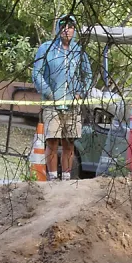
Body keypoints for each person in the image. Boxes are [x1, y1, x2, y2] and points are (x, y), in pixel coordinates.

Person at [32, 15, 92, 180]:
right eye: (64, 26)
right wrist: (49, 93)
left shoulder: (79, 51)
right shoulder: (46, 48)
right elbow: (36, 74)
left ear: (74, 30)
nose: (67, 29)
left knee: (69, 142)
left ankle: (66, 179)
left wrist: (81, 93)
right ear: (59, 28)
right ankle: (52, 178)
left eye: (71, 26)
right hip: (52, 104)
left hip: (72, 106)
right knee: (52, 141)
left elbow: (88, 75)